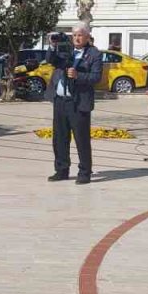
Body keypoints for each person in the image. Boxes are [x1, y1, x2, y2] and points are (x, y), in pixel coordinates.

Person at [45, 23, 102, 185]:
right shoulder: (67, 50)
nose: (77, 38)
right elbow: (51, 60)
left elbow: (96, 77)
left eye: (80, 35)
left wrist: (78, 75)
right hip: (60, 101)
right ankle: (61, 170)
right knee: (59, 138)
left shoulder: (94, 53)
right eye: (74, 35)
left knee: (81, 139)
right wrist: (52, 45)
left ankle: (84, 172)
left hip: (79, 102)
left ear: (87, 37)